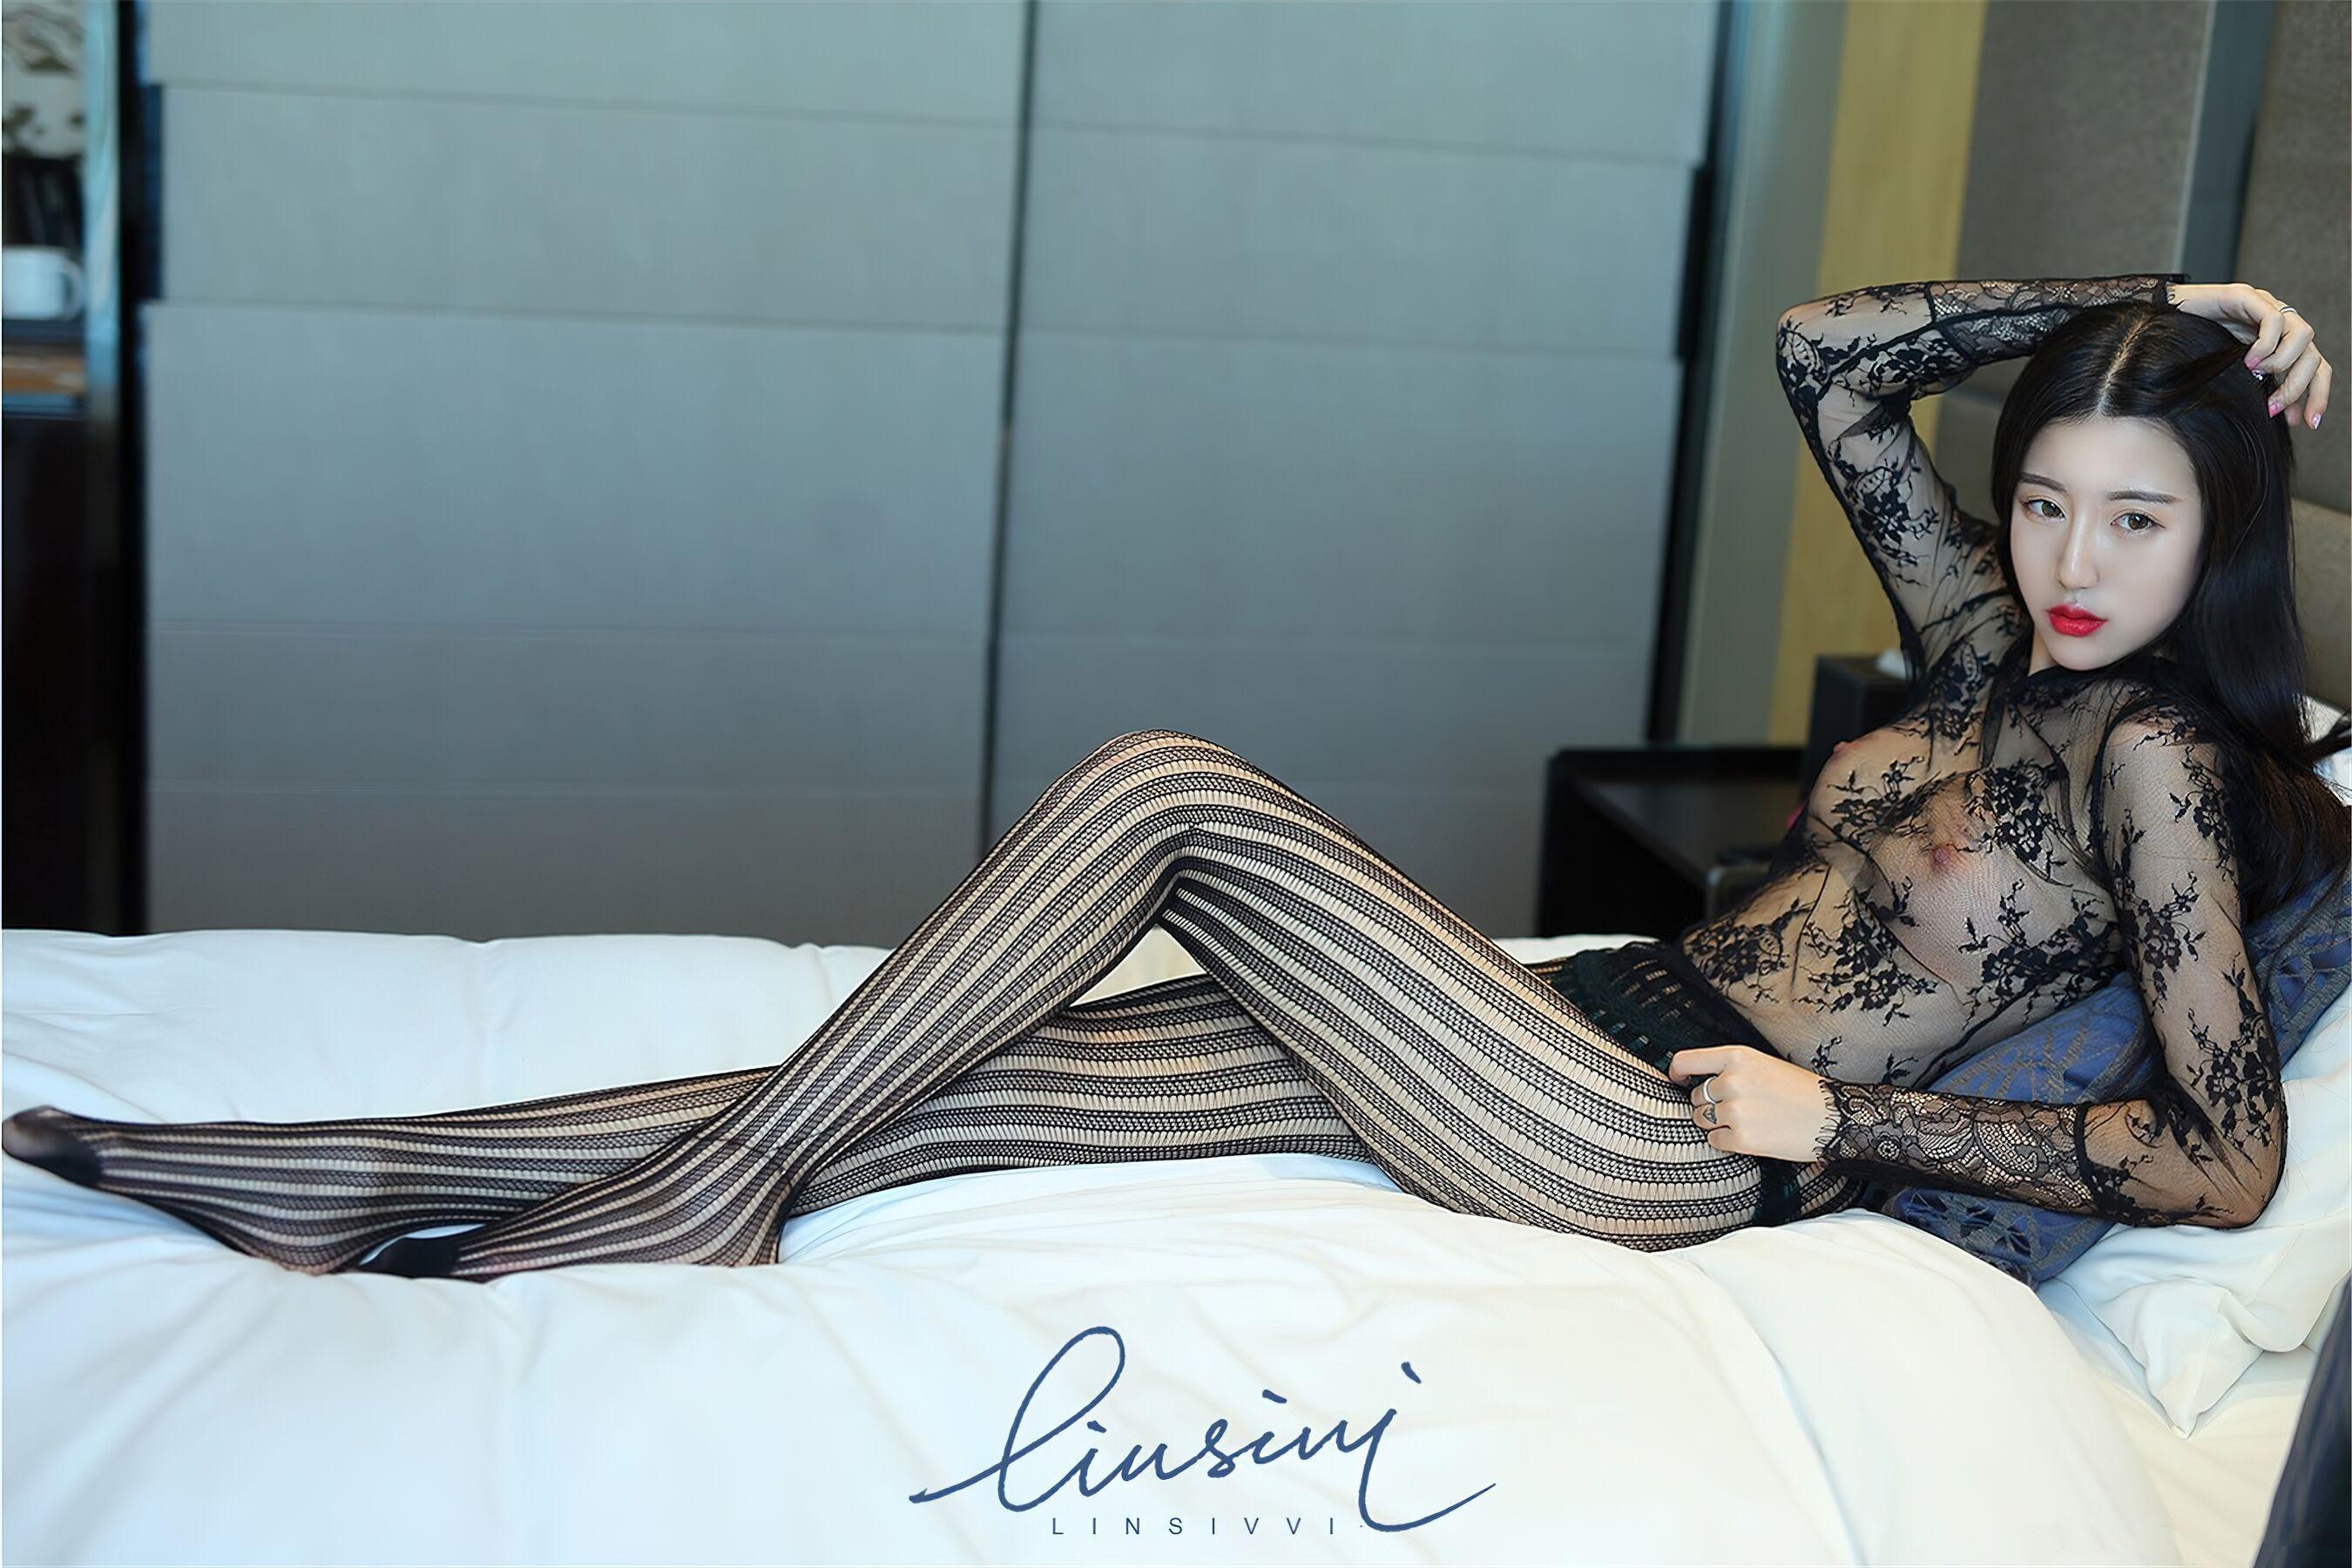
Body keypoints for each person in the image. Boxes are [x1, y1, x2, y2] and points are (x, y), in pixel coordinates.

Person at [4, 274, 2343, 1282]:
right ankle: (343, 1171)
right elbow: (1830, 355)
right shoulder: (1988, 644)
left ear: (2217, 530)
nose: (2070, 561)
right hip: (1586, 1016)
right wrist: (2160, 298)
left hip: (1671, 1146)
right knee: (949, 1089)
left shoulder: (2161, 758)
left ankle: (699, 1196)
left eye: (2136, 519)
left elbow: (2224, 1158)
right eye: (2046, 498)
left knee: (1167, 790)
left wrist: (1840, 1120)